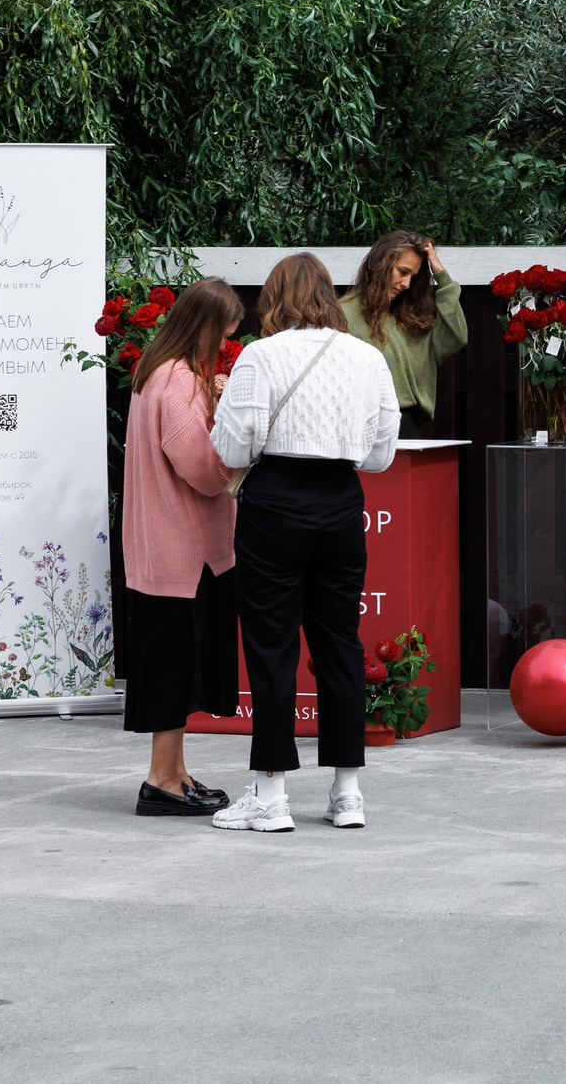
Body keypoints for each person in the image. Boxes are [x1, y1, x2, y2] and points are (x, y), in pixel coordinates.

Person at [208, 253, 400, 834]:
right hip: (340, 502)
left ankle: (270, 796)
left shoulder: (258, 356)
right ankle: (347, 794)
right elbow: (382, 452)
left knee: (271, 648)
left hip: (275, 505)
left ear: (274, 297)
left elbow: (233, 449)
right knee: (340, 643)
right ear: (327, 295)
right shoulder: (368, 357)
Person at [119, 277, 246, 817]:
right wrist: (239, 439)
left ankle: (175, 772)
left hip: (161, 547)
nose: (223, 345)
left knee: (172, 665)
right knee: (176, 669)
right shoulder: (179, 381)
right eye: (224, 334)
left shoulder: (155, 372)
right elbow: (204, 470)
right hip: (185, 553)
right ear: (206, 327)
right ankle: (161, 781)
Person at [341, 230, 468, 439]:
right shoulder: (343, 314)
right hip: (358, 428)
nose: (407, 284)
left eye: (414, 277)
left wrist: (440, 274)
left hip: (406, 427)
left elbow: (457, 337)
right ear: (380, 265)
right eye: (402, 272)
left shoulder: (411, 320)